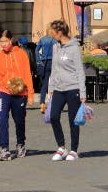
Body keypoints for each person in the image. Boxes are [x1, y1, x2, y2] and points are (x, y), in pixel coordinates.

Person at [47, 19, 86, 162]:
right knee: (53, 116)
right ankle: (61, 147)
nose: (51, 35)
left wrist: (82, 92)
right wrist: (51, 87)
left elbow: (80, 71)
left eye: (53, 33)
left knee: (73, 120)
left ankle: (74, 150)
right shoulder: (55, 47)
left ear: (60, 32)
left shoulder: (74, 48)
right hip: (58, 88)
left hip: (73, 87)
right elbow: (54, 68)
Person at [0, 30, 34, 161]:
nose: (2, 44)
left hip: (20, 92)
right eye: (0, 42)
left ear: (11, 40)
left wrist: (30, 93)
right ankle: (4, 149)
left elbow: (27, 73)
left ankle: (20, 143)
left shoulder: (21, 54)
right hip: (4, 92)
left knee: (19, 120)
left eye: (5, 41)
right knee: (2, 119)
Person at [35, 33, 56, 114]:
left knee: (44, 84)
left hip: (44, 62)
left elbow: (36, 50)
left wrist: (39, 60)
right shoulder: (54, 40)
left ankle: (42, 103)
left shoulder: (42, 39)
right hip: (53, 62)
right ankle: (53, 104)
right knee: (54, 83)